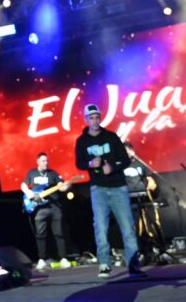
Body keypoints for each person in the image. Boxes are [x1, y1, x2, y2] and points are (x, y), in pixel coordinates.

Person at [74, 104, 144, 278]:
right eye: (91, 117)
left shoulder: (111, 137)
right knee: (100, 228)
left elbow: (125, 161)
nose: (95, 120)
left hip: (118, 187)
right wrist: (91, 164)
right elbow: (79, 163)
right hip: (98, 188)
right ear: (86, 119)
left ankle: (133, 266)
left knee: (127, 228)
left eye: (97, 116)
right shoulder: (82, 141)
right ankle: (105, 264)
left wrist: (112, 167)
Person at [20, 152, 70, 270]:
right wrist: (29, 193)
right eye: (43, 161)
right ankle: (41, 259)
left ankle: (63, 258)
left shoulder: (53, 174)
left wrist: (67, 186)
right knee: (40, 235)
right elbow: (23, 185)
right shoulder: (32, 173)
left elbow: (61, 187)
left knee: (59, 233)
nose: (46, 163)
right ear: (38, 161)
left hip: (54, 207)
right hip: (39, 208)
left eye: (47, 161)